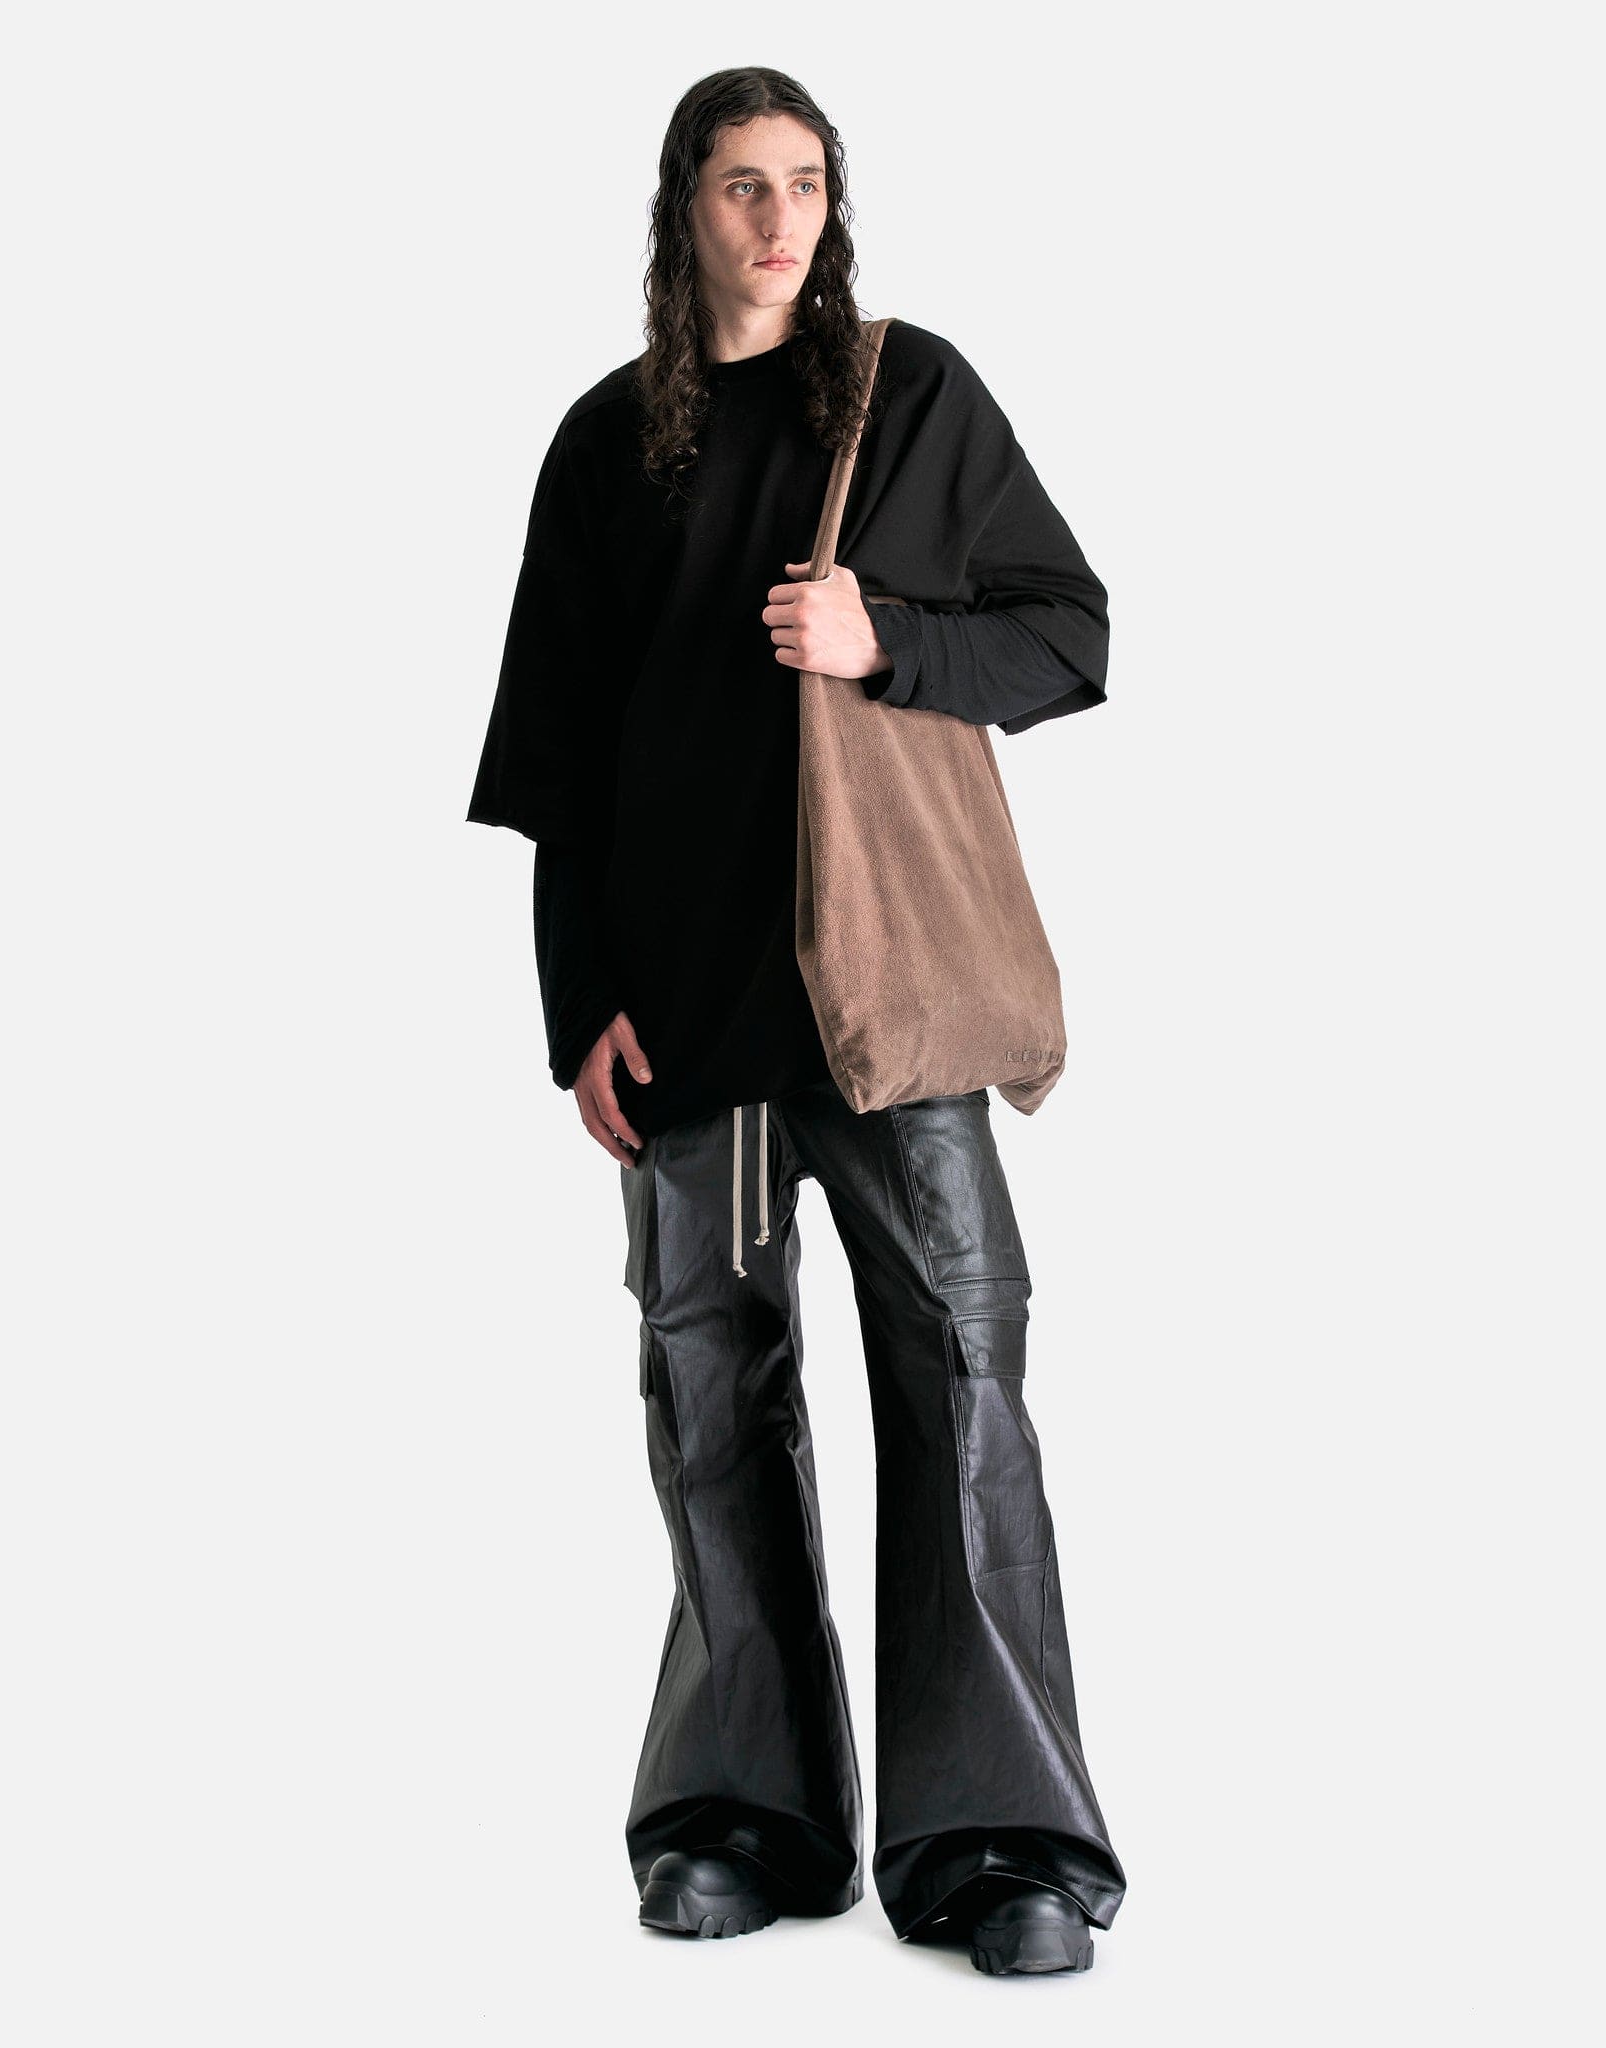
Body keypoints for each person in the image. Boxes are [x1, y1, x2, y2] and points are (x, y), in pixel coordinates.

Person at [466, 66, 1128, 1977]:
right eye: (742, 187)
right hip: (685, 1015)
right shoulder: (607, 440)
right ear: (682, 208)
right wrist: (577, 1007)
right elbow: (560, 755)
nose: (778, 222)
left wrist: (883, 639)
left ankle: (1001, 1841)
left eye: (807, 185)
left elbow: (1068, 633)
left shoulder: (906, 400)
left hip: (883, 1007)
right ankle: (739, 1817)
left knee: (959, 1380)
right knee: (710, 1404)